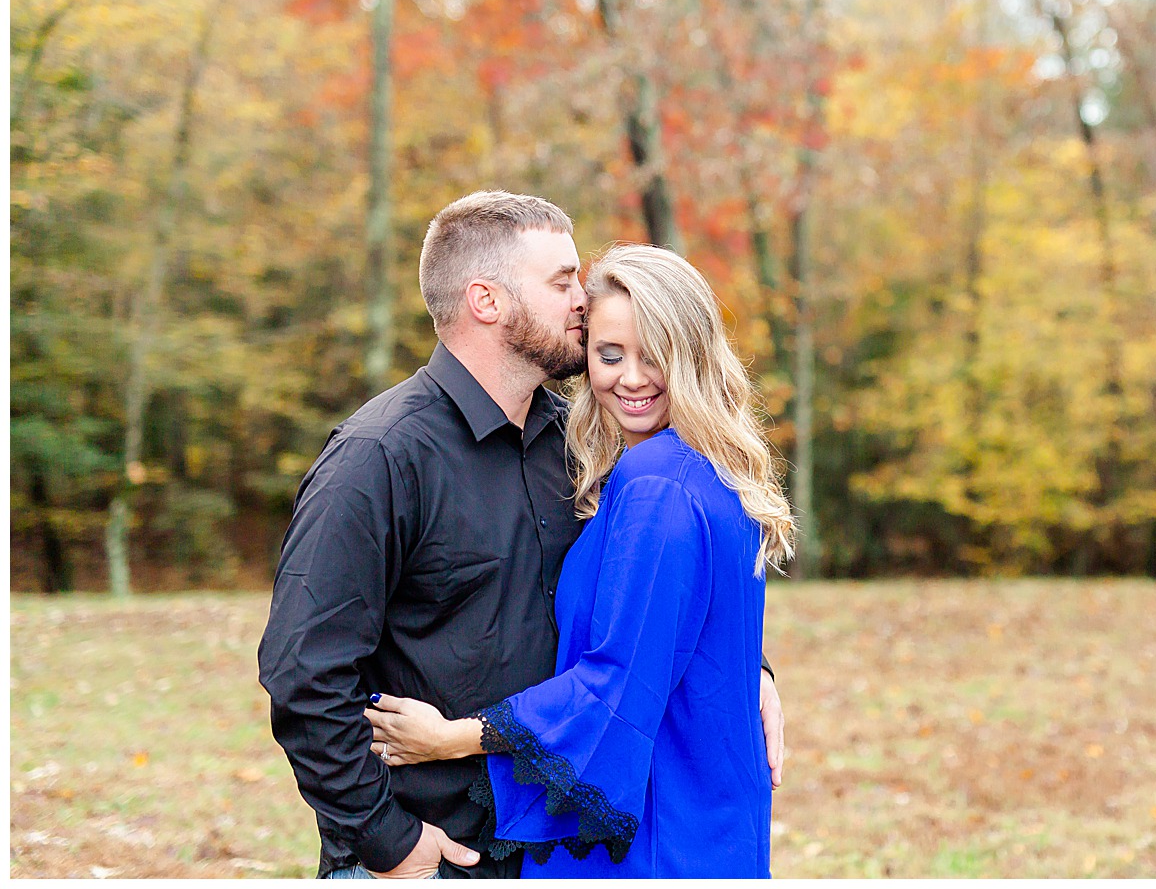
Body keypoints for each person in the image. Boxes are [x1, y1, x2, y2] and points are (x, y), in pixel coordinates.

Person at [257, 192, 784, 879]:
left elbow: (640, 604)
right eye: (563, 281)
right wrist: (389, 840)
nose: (582, 299)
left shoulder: (581, 447)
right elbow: (303, 674)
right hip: (431, 852)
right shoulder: (379, 457)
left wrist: (752, 671)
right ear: (487, 300)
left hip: (559, 847)